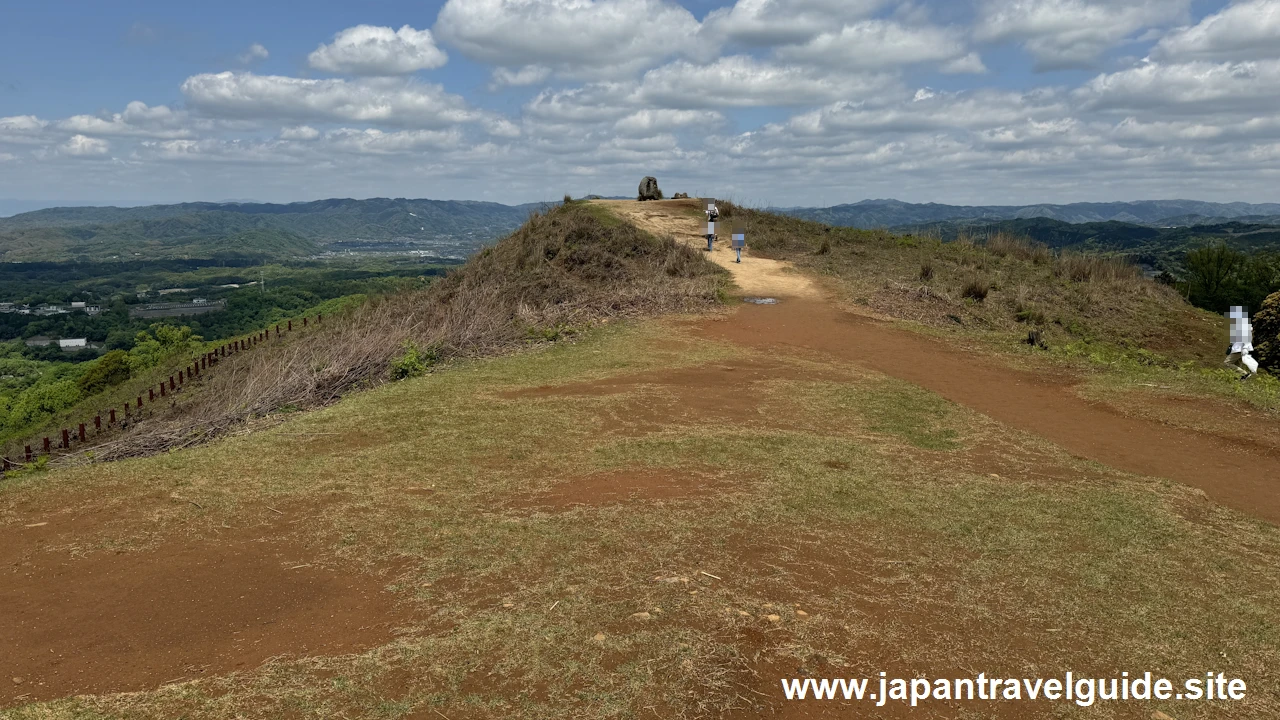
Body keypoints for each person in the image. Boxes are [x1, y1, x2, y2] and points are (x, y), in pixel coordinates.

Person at [1224, 305, 1259, 380]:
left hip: (1240, 348)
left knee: (1228, 363)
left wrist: (1245, 347)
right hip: (1238, 348)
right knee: (1237, 364)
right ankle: (1238, 379)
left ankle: (1244, 374)